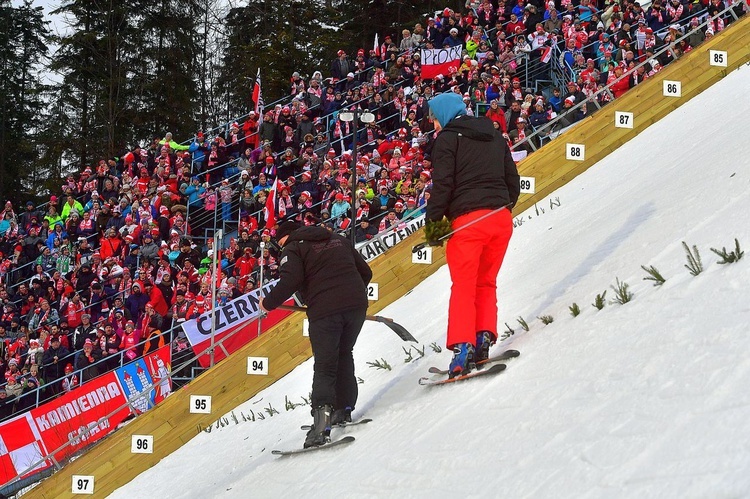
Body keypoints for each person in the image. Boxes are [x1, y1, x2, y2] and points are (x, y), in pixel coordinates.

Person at [424, 92, 520, 378]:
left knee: (464, 285)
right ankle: (483, 338)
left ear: (443, 113)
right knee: (486, 281)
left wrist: (434, 228)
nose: (433, 124)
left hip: (468, 223)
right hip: (500, 219)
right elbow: (511, 178)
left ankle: (462, 347)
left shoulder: (447, 140)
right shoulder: (493, 133)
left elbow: (443, 186)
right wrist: (504, 205)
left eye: (434, 118)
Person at [260, 220, 372, 449]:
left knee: (325, 364)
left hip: (325, 311)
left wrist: (268, 303)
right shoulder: (338, 239)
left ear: (287, 236)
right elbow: (366, 272)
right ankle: (343, 409)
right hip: (356, 307)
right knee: (344, 353)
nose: (281, 248)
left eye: (280, 243)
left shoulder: (294, 247)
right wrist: (351, 294)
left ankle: (321, 425)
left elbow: (291, 280)